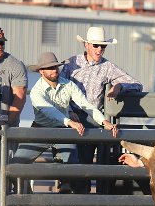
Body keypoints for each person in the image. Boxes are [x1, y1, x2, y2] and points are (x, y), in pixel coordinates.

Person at [17, 52, 118, 193]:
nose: (54, 70)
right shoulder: (36, 91)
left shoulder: (68, 84)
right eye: (49, 68)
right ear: (41, 71)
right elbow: (49, 111)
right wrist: (69, 122)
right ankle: (27, 195)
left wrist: (104, 121)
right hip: (41, 129)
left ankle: (76, 200)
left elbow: (85, 105)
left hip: (62, 130)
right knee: (16, 163)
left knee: (73, 167)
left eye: (55, 67)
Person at [59, 26, 142, 194]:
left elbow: (137, 85)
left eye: (102, 46)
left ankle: (80, 198)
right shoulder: (70, 64)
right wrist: (68, 110)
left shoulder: (107, 67)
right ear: (86, 45)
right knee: (69, 156)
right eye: (96, 45)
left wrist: (119, 86)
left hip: (92, 119)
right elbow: (59, 90)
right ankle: (70, 188)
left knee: (85, 161)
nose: (100, 50)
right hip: (70, 116)